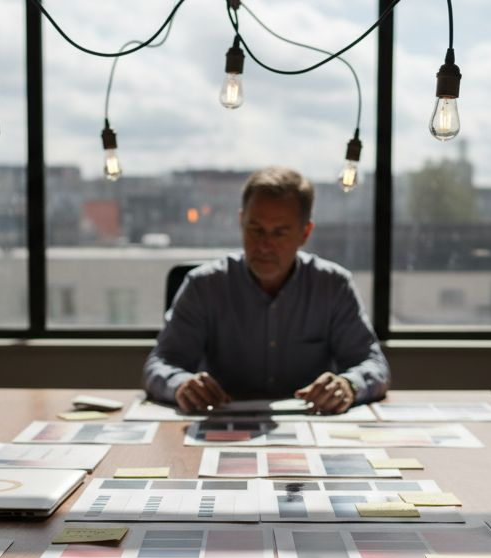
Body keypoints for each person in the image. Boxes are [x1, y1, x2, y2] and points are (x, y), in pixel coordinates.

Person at [143, 166, 390, 414]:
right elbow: (160, 364)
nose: (265, 245)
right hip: (222, 423)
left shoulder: (333, 286)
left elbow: (374, 365)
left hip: (309, 424)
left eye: (279, 232)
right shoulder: (204, 286)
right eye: (256, 229)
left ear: (305, 233)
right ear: (241, 222)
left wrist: (348, 385)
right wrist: (181, 385)